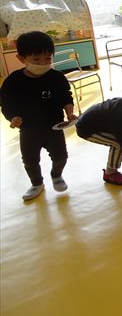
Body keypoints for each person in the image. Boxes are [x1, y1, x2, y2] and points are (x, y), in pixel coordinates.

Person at [0, 31, 76, 200]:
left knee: (61, 157)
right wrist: (13, 117)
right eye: (36, 59)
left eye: (48, 58)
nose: (43, 63)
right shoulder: (14, 81)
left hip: (54, 127)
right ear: (21, 58)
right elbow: (6, 103)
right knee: (30, 160)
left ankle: (56, 175)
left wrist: (70, 113)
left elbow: (66, 97)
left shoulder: (57, 77)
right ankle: (36, 184)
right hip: (29, 129)